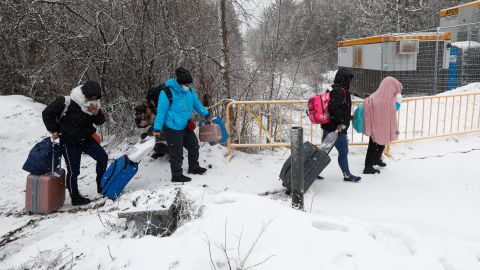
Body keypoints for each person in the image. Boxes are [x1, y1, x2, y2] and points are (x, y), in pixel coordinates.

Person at [42, 81, 108, 205]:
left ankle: (101, 184)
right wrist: (54, 129)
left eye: (96, 97)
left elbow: (100, 121)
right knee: (73, 171)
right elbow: (46, 114)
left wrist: (97, 113)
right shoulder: (65, 102)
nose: (93, 99)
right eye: (91, 96)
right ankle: (75, 197)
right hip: (69, 141)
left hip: (87, 139)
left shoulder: (92, 105)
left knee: (103, 157)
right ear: (84, 94)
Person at [152, 67, 210, 183]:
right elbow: (161, 112)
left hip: (186, 125)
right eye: (187, 84)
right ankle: (177, 176)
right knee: (177, 153)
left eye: (189, 83)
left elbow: (196, 104)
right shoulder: (167, 92)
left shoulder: (190, 91)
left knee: (194, 146)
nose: (189, 85)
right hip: (172, 127)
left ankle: (194, 167)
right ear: (180, 82)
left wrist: (206, 114)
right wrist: (157, 128)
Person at [320, 68, 361, 182]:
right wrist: (341, 122)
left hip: (330, 126)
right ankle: (347, 175)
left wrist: (348, 117)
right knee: (343, 152)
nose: (350, 81)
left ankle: (311, 171)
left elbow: (337, 108)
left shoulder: (335, 89)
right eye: (349, 78)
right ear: (344, 78)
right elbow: (333, 107)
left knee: (323, 152)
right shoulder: (341, 91)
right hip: (337, 129)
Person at [363, 76, 403, 174]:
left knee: (383, 141)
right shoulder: (380, 99)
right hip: (376, 127)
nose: (395, 92)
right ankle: (368, 167)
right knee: (373, 145)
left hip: (383, 126)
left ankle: (376, 159)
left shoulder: (386, 97)